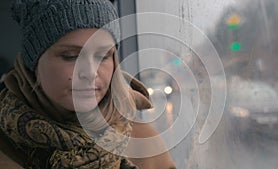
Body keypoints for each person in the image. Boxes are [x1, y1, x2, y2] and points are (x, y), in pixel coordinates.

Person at [0, 0, 177, 168]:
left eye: (103, 56)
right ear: (34, 63)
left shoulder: (143, 143)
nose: (90, 72)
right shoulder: (5, 146)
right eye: (71, 56)